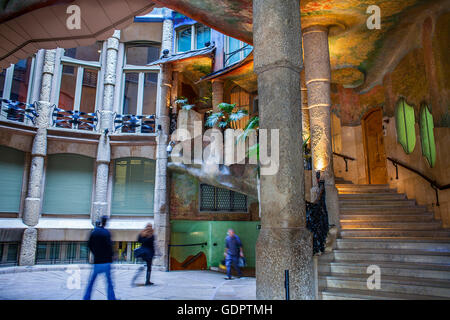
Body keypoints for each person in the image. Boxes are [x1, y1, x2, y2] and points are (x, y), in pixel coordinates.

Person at [83, 216, 116, 300]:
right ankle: (111, 298)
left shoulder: (94, 232)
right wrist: (112, 255)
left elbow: (89, 244)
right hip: (106, 261)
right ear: (105, 222)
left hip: (97, 261)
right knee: (109, 283)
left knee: (91, 282)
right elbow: (109, 246)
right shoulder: (106, 232)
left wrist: (95, 253)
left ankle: (86, 297)